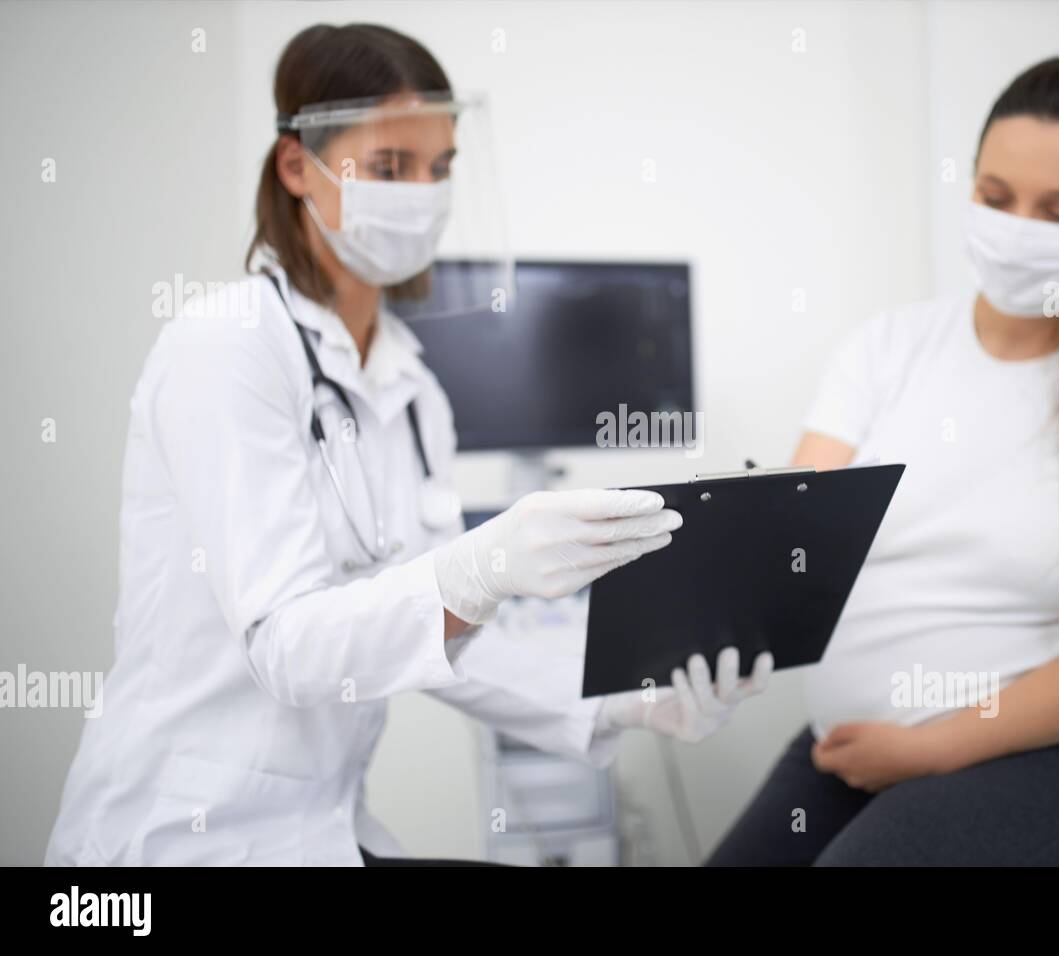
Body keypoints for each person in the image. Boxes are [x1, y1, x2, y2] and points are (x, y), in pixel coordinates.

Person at [46, 23, 770, 867]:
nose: (422, 194)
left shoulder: (413, 388)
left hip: (321, 833)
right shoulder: (228, 346)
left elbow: (445, 646)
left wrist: (624, 704)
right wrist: (479, 566)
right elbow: (288, 645)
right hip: (178, 839)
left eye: (441, 167)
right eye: (390, 167)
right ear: (296, 168)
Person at [708, 56, 1059, 866]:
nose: (1020, 228)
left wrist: (931, 750)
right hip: (860, 742)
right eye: (995, 198)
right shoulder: (887, 348)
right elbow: (791, 549)